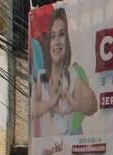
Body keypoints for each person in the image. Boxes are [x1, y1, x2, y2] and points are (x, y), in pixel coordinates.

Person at [30, 7, 98, 138]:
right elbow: (31, 110)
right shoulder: (42, 76)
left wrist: (75, 105)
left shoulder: (72, 76)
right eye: (53, 36)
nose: (57, 42)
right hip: (46, 153)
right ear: (49, 42)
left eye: (61, 34)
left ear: (67, 40)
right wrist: (50, 103)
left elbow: (93, 105)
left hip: (70, 152)